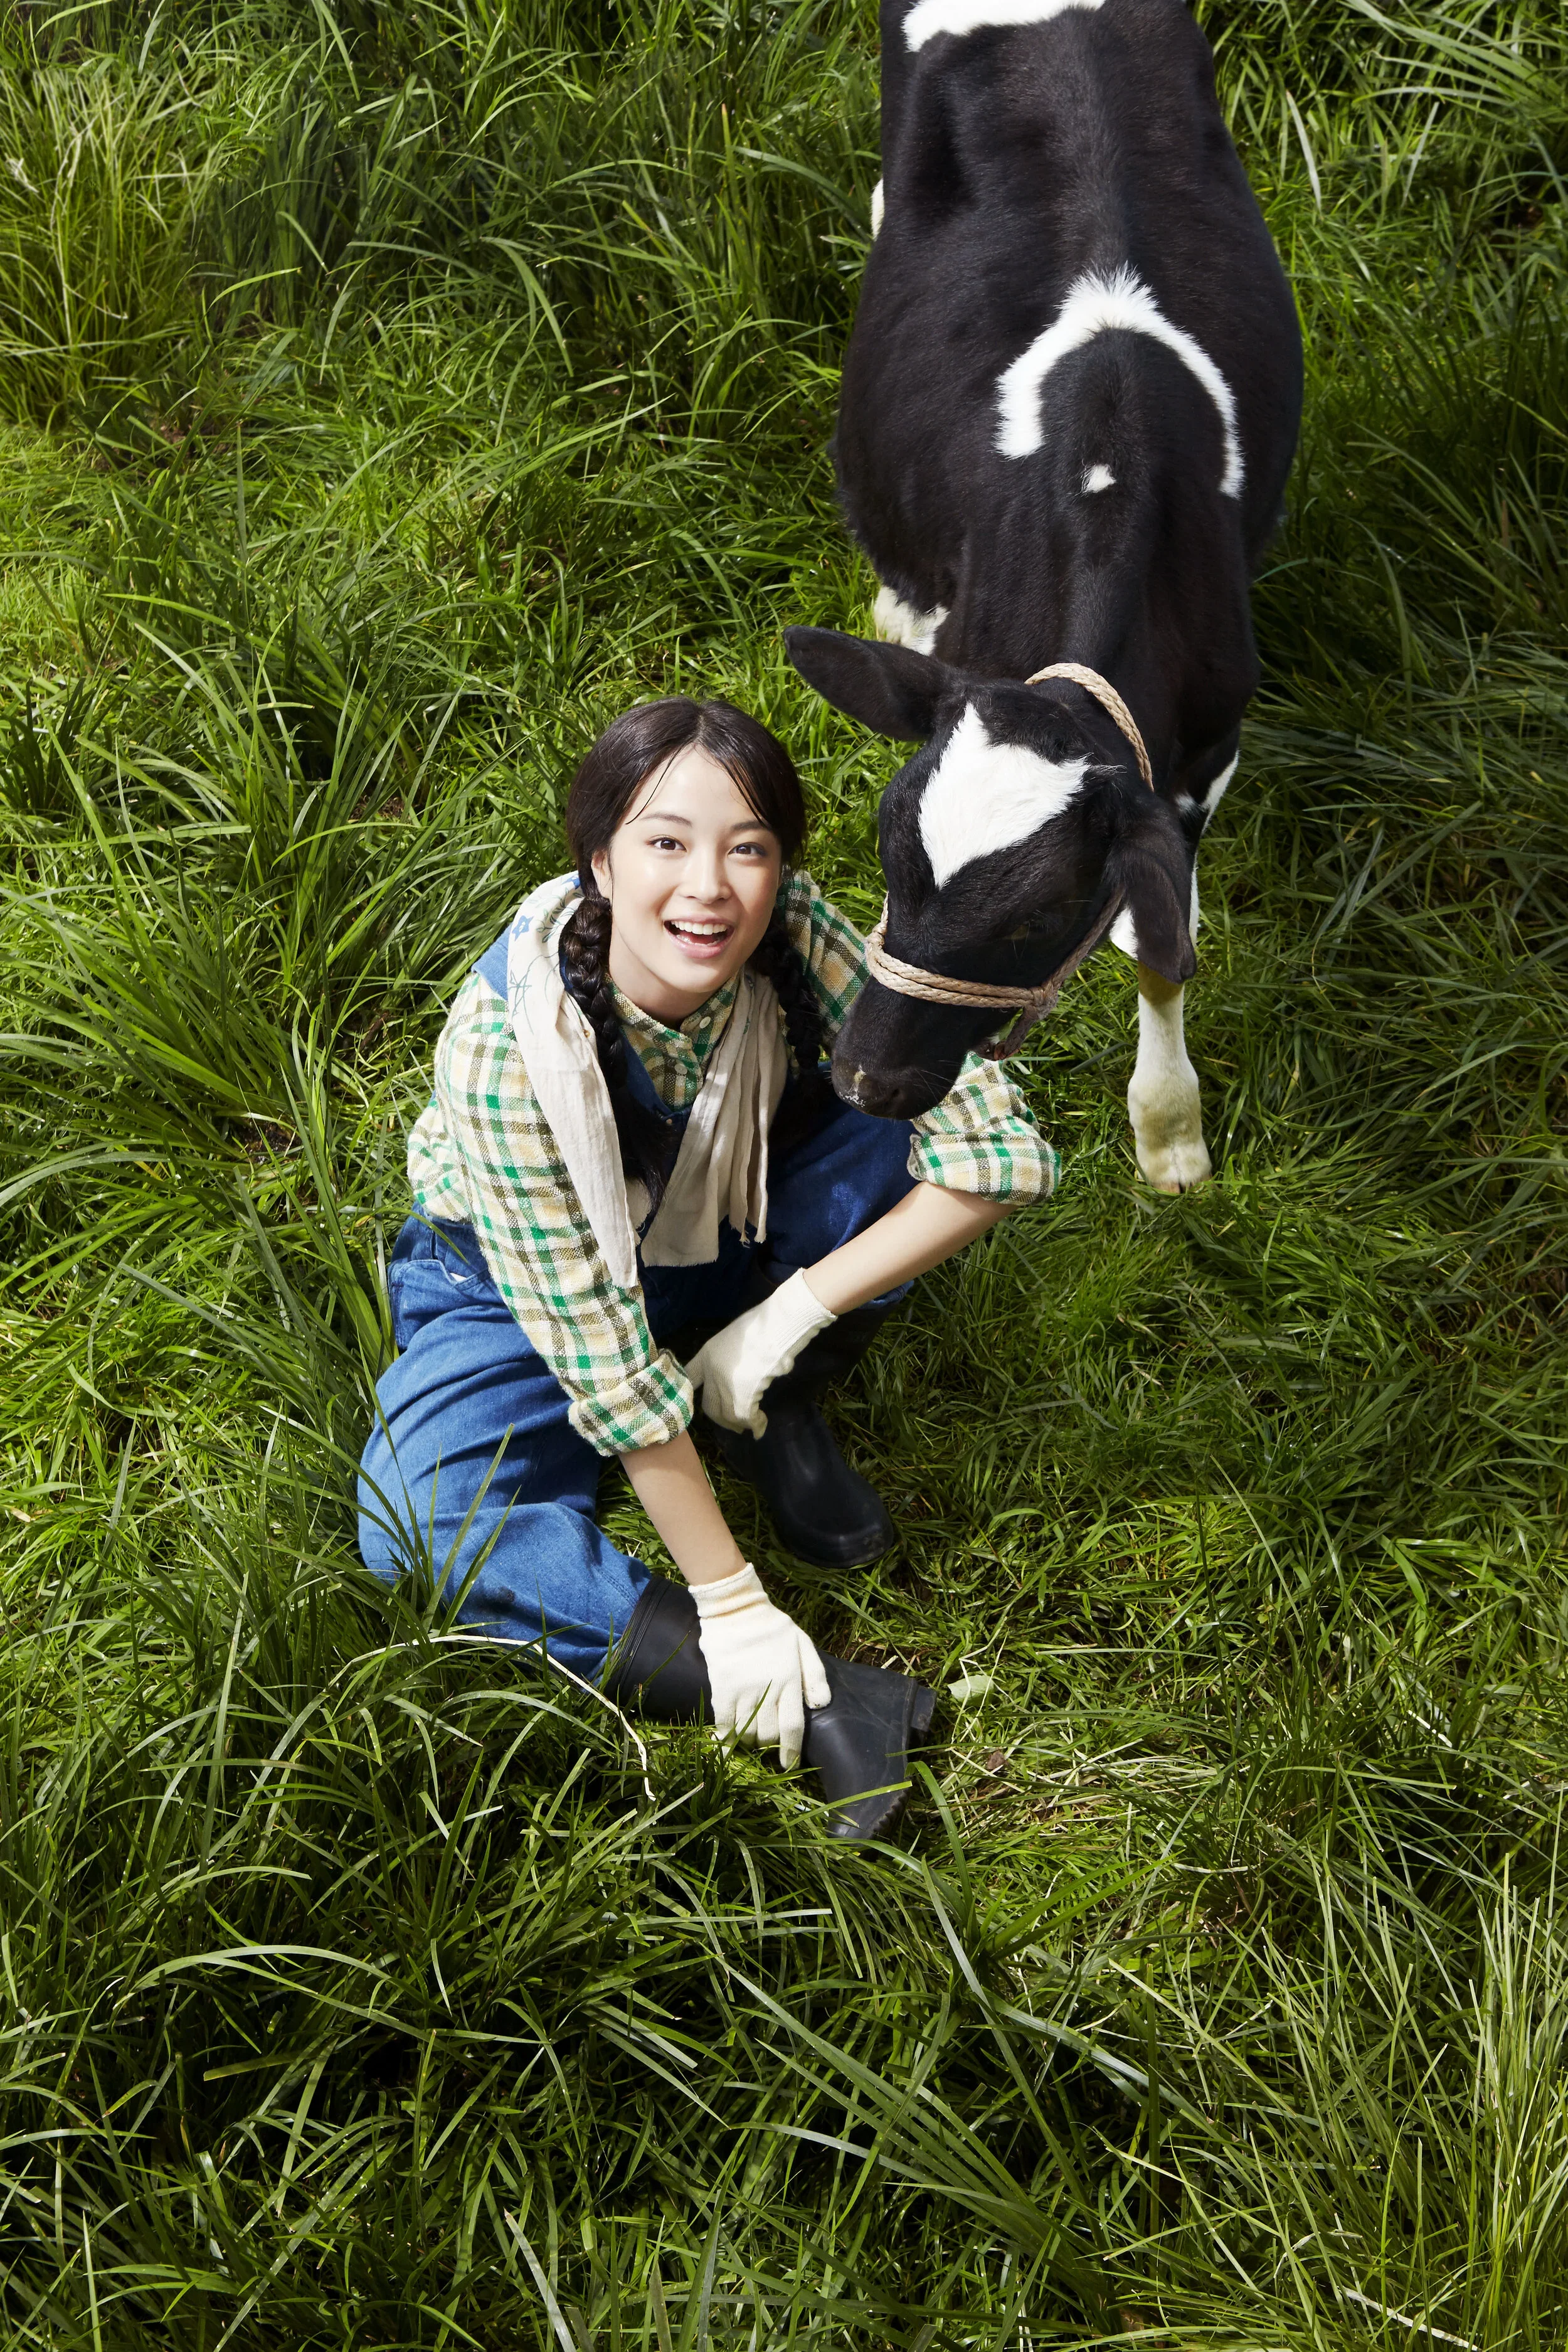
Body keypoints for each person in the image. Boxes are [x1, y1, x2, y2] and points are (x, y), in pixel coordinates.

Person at [358, 694, 1056, 1837]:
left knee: (895, 1108)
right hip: (516, 1289)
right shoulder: (507, 1044)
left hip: (732, 1226)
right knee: (416, 1516)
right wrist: (732, 1606)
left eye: (750, 849)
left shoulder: (796, 930)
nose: (710, 888)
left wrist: (790, 1313)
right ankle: (835, 1705)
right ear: (599, 861)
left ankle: (775, 1393)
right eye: (666, 843)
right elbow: (604, 1362)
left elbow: (1001, 1153)